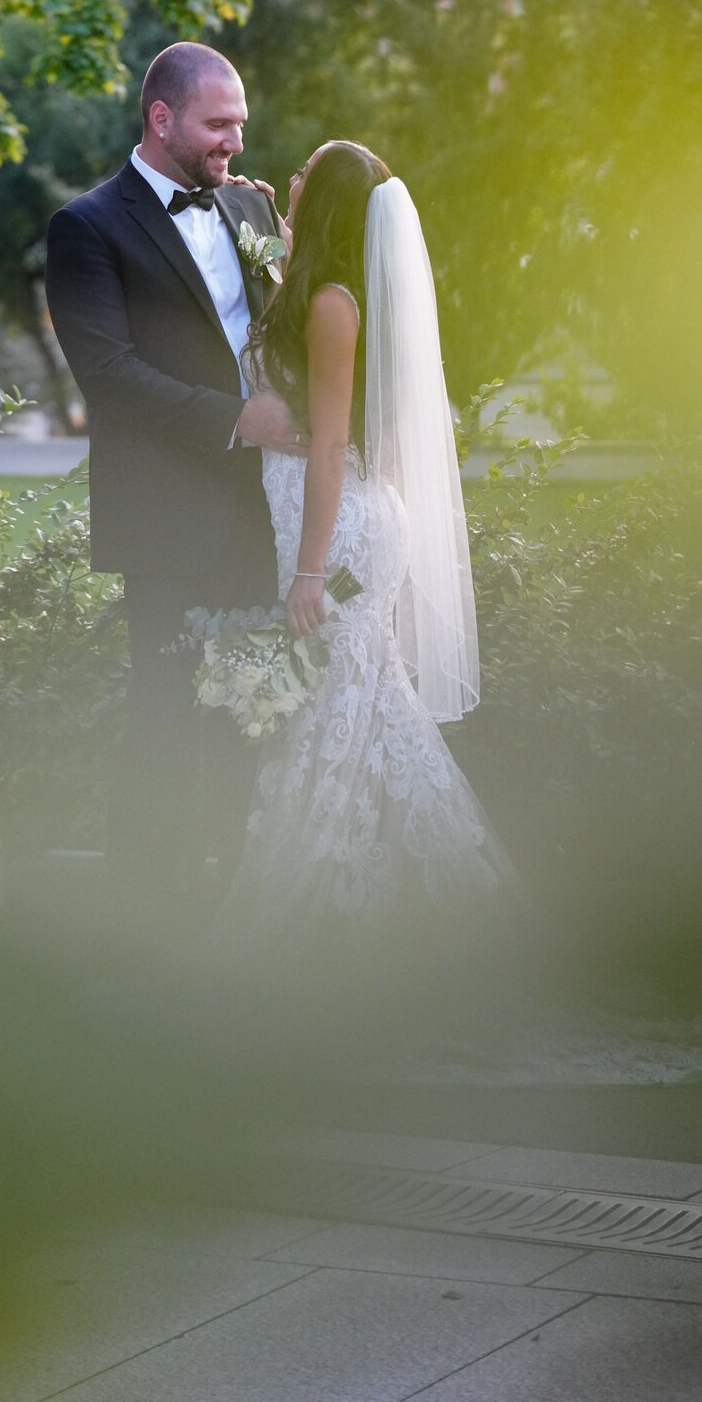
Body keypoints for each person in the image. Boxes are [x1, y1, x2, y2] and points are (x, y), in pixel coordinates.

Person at [223, 140, 520, 945]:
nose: (290, 179)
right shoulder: (324, 290)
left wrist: (311, 572)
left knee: (335, 704)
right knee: (357, 702)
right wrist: (266, 224)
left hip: (340, 533)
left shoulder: (332, 305)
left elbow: (326, 444)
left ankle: (327, 910)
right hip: (337, 517)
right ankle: (409, 912)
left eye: (304, 175)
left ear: (324, 203)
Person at [44, 43, 305, 890]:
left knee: (254, 716)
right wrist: (238, 419)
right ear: (162, 120)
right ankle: (141, 919)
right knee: (163, 720)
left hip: (262, 513)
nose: (235, 139)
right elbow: (110, 378)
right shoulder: (86, 228)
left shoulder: (247, 210)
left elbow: (289, 331)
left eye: (240, 122)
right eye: (217, 123)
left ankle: (228, 898)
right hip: (164, 522)